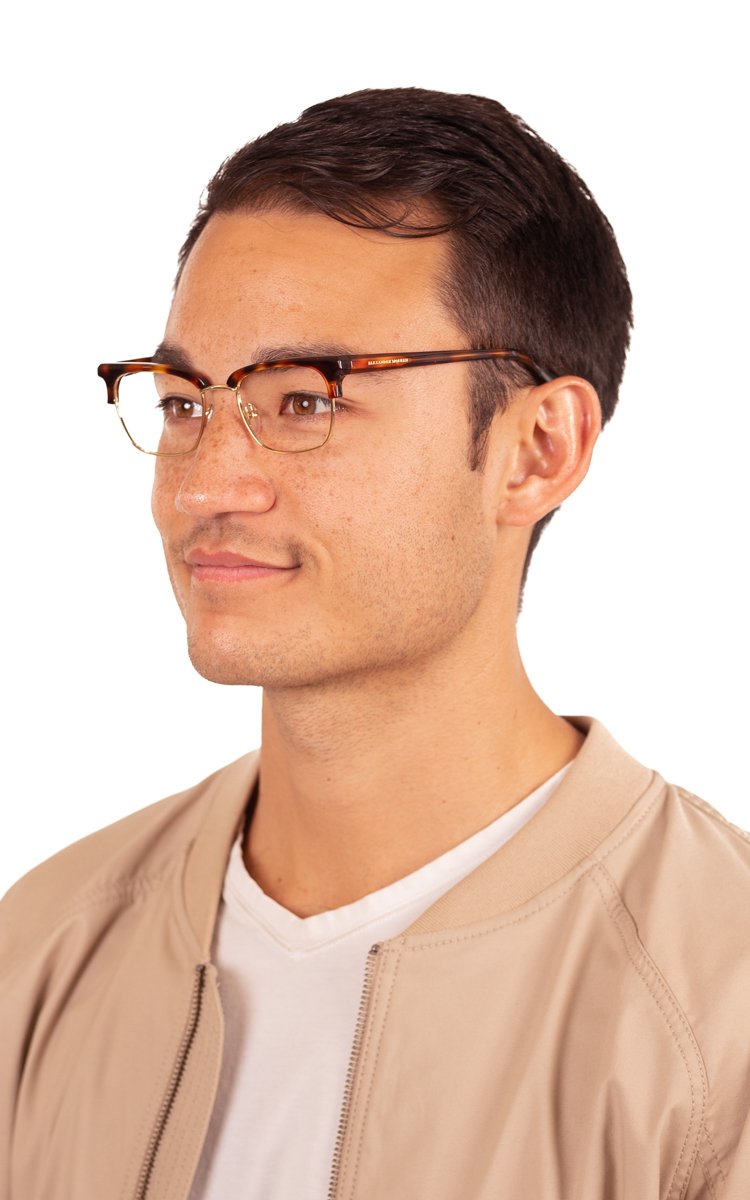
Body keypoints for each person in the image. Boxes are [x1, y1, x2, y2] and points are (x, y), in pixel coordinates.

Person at [1, 87, 748, 1200]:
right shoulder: (43, 949)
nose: (204, 487)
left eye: (307, 400)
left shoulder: (721, 1007)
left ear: (537, 450)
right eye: (185, 402)